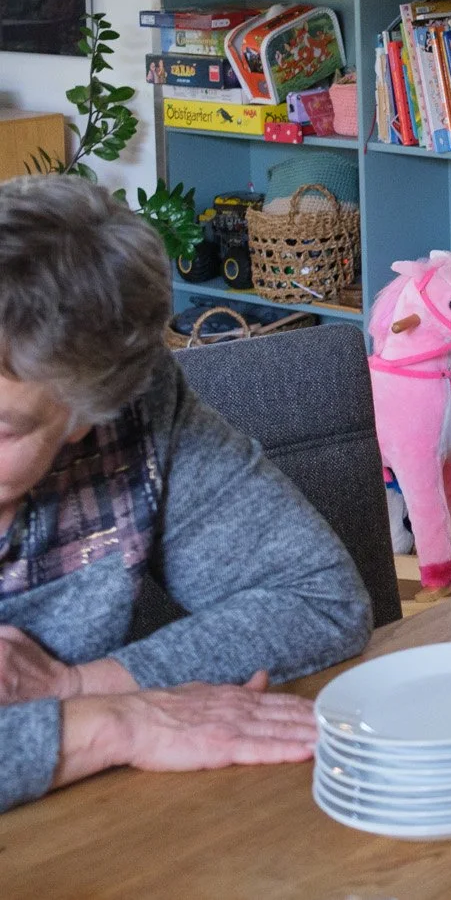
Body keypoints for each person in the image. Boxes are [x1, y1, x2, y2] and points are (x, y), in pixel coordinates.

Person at [0, 175, 372, 813]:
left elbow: (317, 598)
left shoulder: (136, 413)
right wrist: (107, 726)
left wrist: (82, 686)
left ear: (85, 414)